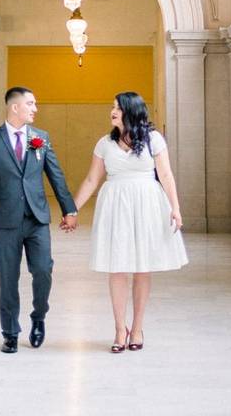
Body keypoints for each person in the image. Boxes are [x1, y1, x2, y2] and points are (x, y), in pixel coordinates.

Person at [65, 91, 188, 353]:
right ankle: (120, 329)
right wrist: (71, 209)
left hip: (146, 203)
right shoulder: (104, 144)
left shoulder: (154, 139)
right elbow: (91, 181)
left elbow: (165, 175)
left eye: (118, 108)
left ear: (131, 111)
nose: (112, 111)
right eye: (112, 107)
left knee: (143, 268)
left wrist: (175, 208)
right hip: (115, 205)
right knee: (117, 268)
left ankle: (138, 327)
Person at [0, 86, 78, 353]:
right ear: (15, 107)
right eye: (30, 103)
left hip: (37, 218)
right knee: (8, 277)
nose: (35, 108)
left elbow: (56, 175)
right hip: (4, 221)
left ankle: (38, 317)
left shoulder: (40, 138)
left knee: (43, 271)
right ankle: (9, 332)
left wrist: (70, 209)